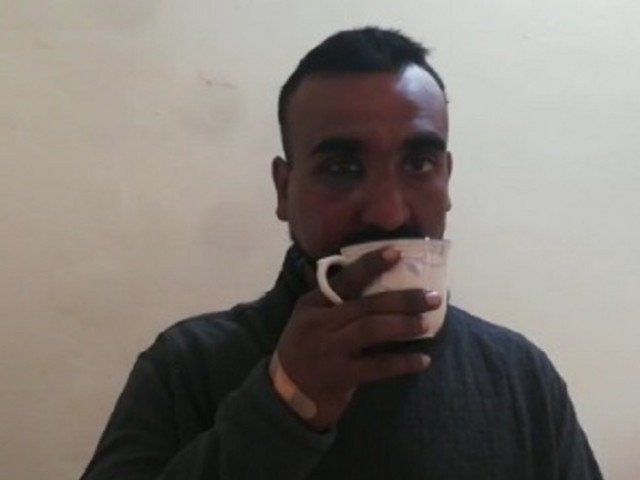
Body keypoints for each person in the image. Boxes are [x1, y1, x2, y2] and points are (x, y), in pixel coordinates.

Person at [80, 27, 603, 479]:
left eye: (418, 164)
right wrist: (285, 402)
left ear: (446, 180)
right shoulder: (185, 366)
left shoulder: (519, 377)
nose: (388, 213)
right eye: (342, 169)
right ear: (284, 189)